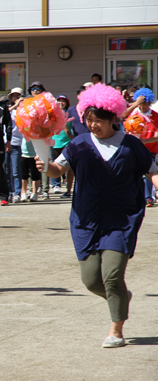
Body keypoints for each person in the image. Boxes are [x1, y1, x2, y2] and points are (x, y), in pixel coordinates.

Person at [36, 83, 158, 348]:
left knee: (111, 275)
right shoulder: (78, 144)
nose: (92, 126)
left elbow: (152, 171)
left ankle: (116, 330)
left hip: (121, 220)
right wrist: (46, 167)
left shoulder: (130, 145)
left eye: (98, 121)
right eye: (88, 120)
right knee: (91, 280)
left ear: (112, 118)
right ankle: (122, 297)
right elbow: (58, 168)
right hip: (86, 220)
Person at [129, 88, 158, 206]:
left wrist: (145, 141)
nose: (142, 107)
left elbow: (157, 136)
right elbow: (121, 116)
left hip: (151, 148)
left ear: (150, 103)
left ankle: (148, 197)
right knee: (135, 173)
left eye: (145, 104)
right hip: (135, 148)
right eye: (140, 104)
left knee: (150, 172)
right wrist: (134, 105)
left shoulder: (155, 116)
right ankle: (136, 196)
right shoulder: (134, 114)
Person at [52, 95, 75, 198]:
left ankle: (68, 188)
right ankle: (56, 184)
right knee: (55, 164)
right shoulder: (52, 114)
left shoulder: (69, 114)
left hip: (67, 142)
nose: (61, 103)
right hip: (54, 142)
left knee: (68, 165)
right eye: (59, 101)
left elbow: (71, 129)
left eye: (63, 101)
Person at [6, 87, 24, 202]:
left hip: (18, 143)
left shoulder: (25, 110)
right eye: (14, 96)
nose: (16, 98)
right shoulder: (9, 109)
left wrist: (21, 105)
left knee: (16, 170)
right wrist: (15, 105)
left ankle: (17, 193)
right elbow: (4, 114)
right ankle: (9, 192)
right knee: (7, 170)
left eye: (18, 96)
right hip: (7, 142)